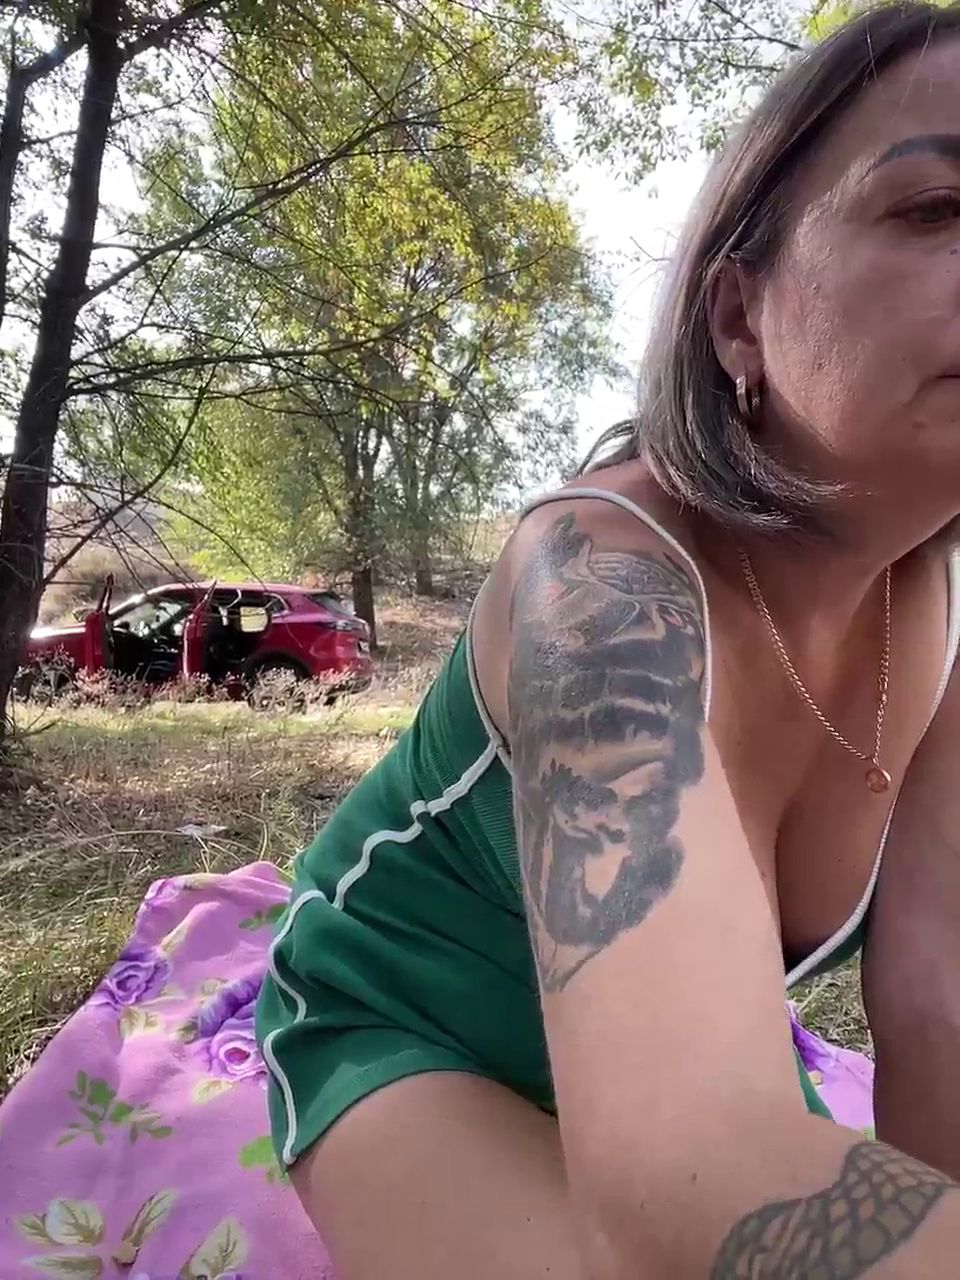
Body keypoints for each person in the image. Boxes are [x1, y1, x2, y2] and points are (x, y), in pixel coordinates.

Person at [255, 5, 960, 1274]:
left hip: (679, 1064)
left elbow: (936, 992)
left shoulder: (947, 617)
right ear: (738, 318)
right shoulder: (598, 578)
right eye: (939, 208)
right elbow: (703, 1170)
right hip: (408, 1024)